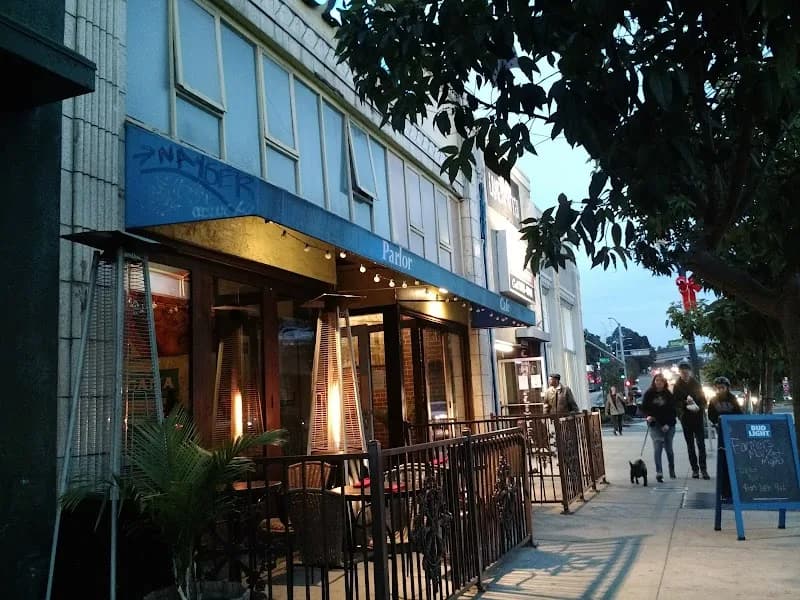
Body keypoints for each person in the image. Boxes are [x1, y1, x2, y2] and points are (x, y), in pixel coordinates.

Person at [672, 361, 709, 479]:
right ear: (680, 372)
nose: (685, 372)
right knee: (690, 445)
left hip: (697, 417)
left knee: (701, 444)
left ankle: (704, 469)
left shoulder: (696, 384)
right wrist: (684, 403)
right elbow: (676, 403)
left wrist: (700, 407)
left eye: (686, 370)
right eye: (682, 370)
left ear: (690, 371)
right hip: (686, 418)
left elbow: (703, 400)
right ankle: (695, 469)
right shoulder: (677, 386)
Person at [708, 376, 743, 499]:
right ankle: (724, 489)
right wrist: (715, 423)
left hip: (732, 431)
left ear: (727, 388)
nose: (720, 390)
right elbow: (711, 414)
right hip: (721, 431)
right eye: (718, 388)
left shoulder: (733, 399)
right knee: (722, 458)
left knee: (731, 459)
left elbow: (739, 413)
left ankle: (731, 488)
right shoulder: (713, 401)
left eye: (722, 388)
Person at [641, 373, 678, 483]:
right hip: (655, 424)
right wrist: (647, 416)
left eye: (661, 381)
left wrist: (668, 424)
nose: (659, 382)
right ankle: (659, 472)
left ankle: (671, 469)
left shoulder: (668, 394)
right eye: (657, 380)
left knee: (669, 449)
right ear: (654, 381)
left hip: (668, 425)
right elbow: (644, 408)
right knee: (658, 447)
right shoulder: (649, 394)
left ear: (664, 382)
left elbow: (673, 411)